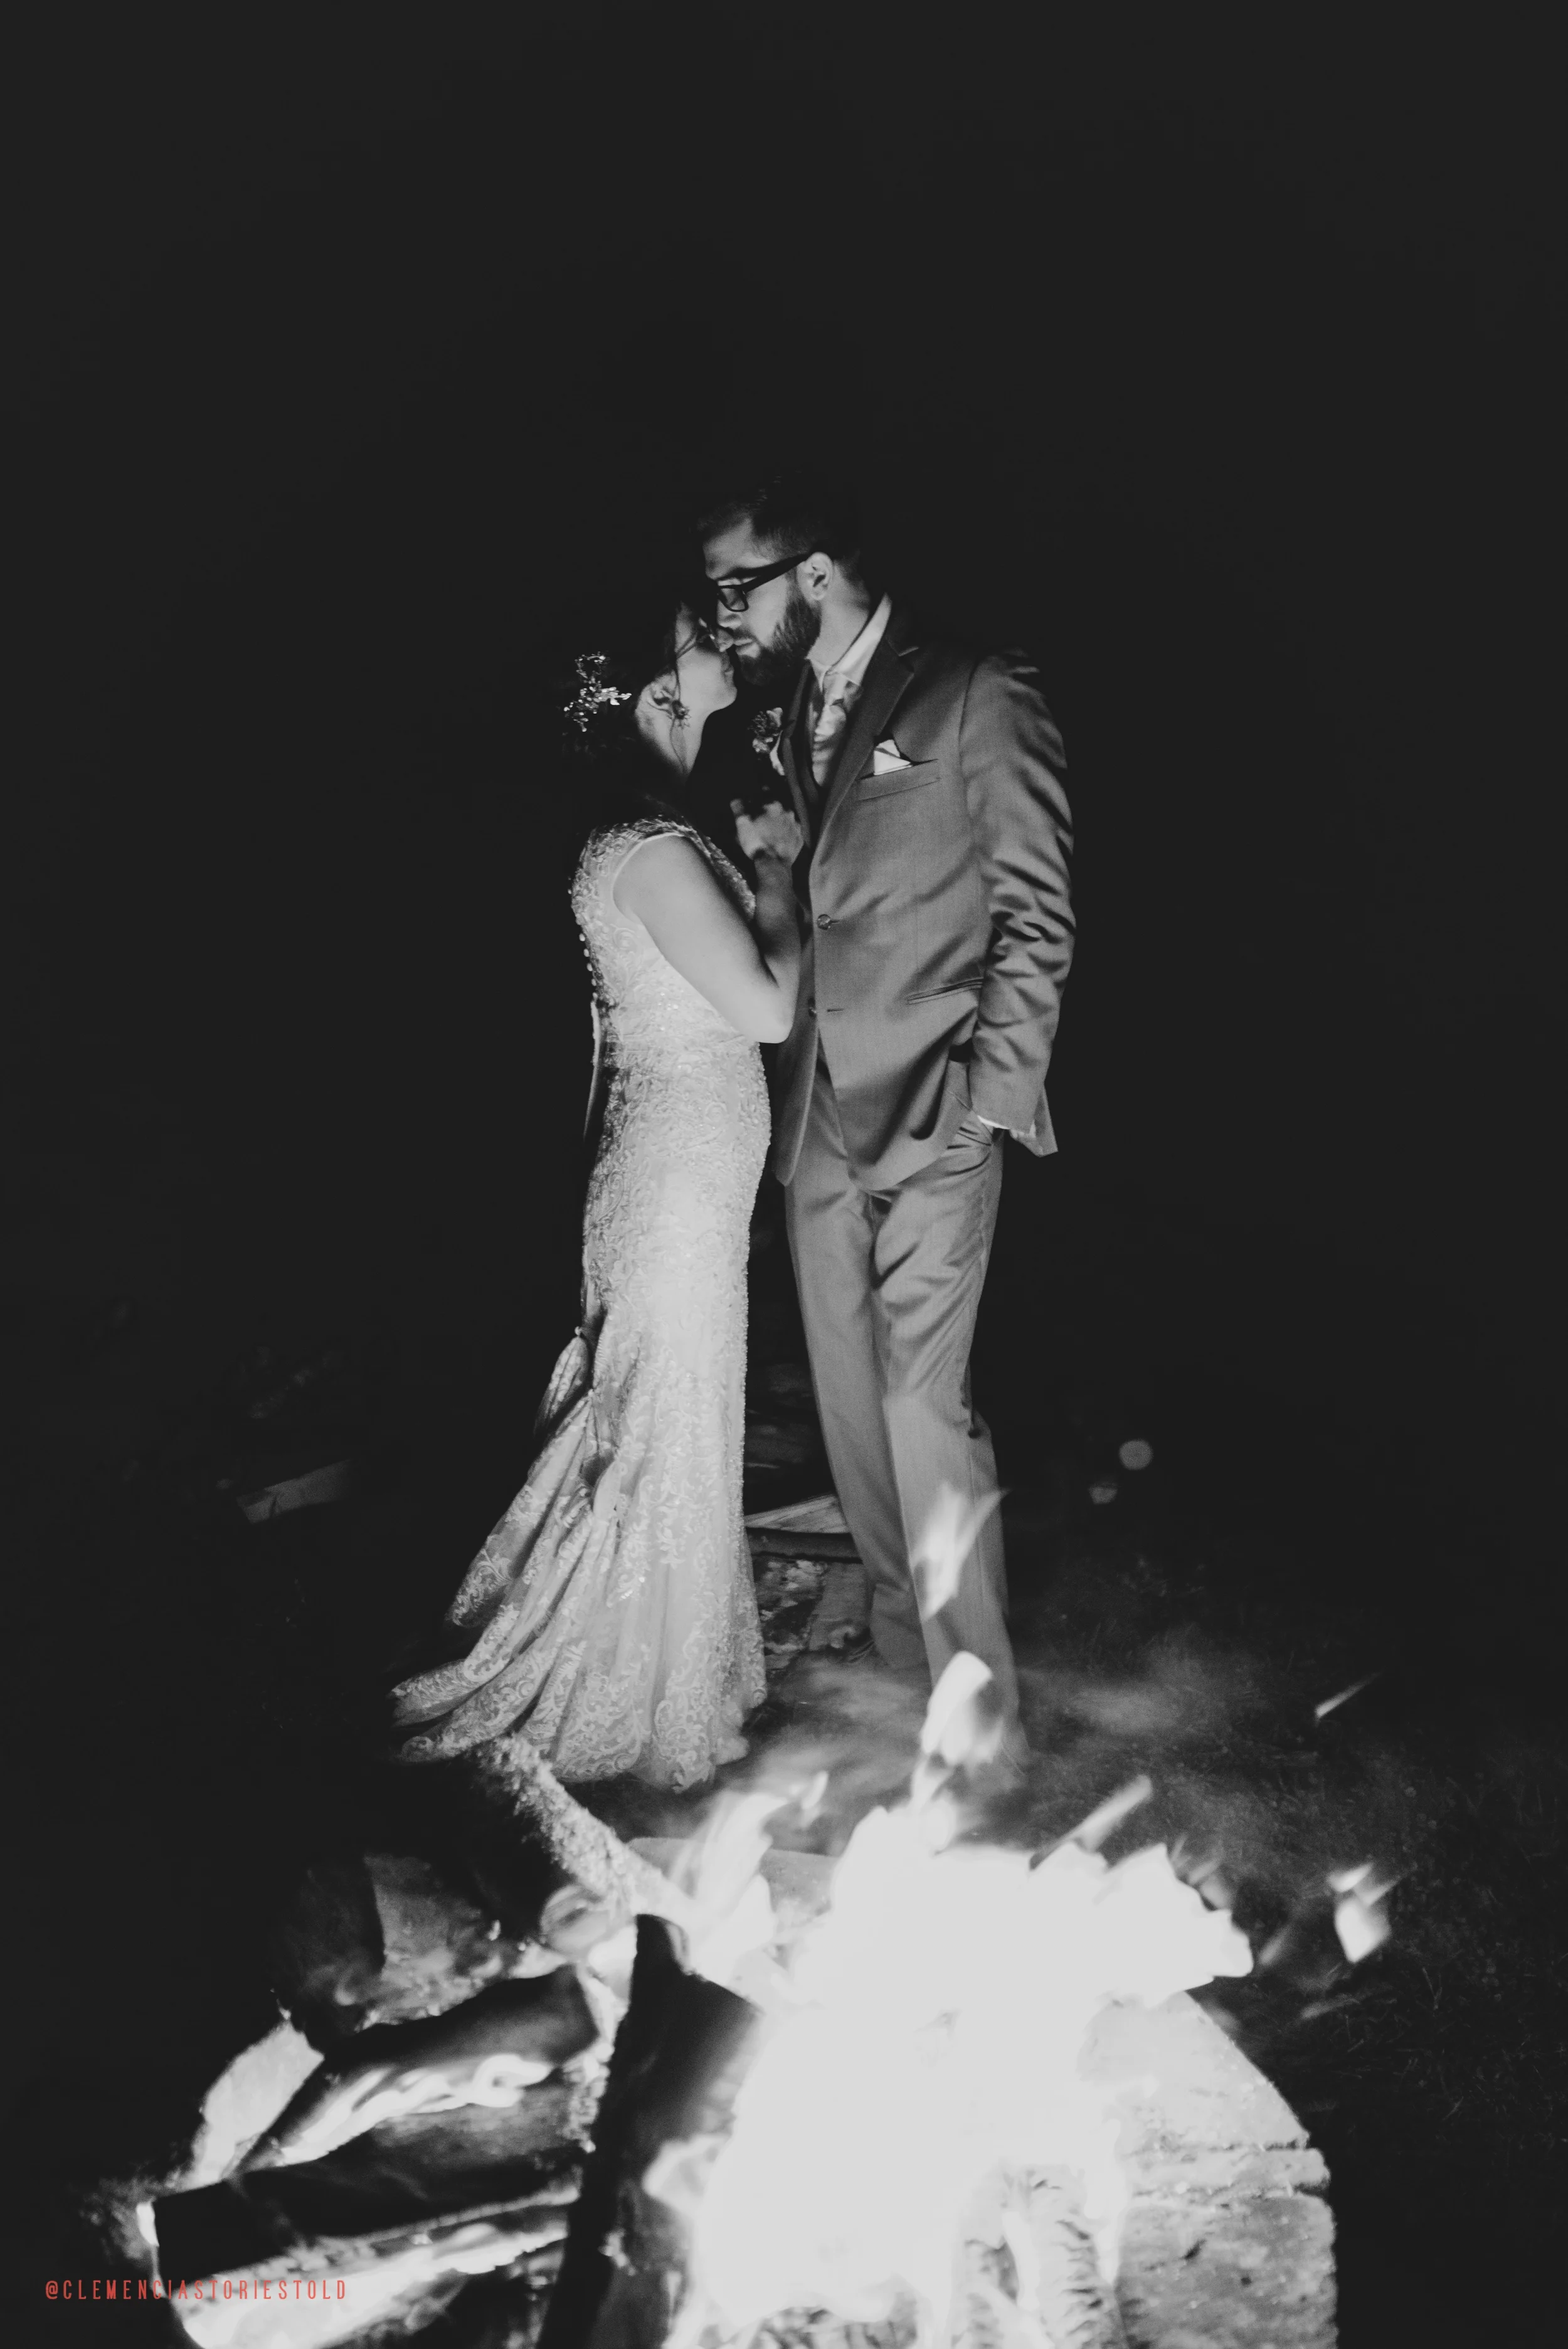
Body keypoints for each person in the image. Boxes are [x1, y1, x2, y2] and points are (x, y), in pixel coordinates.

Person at [390, 601, 804, 1791]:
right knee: (661, 1419)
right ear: (652, 696)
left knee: (673, 1413)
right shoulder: (647, 845)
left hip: (675, 1175)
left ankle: (660, 1670)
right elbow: (768, 1010)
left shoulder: (645, 830)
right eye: (691, 636)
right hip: (672, 1180)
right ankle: (608, 1687)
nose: (714, 644)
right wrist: (776, 868)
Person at [701, 473, 1075, 1769]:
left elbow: (1037, 910)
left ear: (811, 573)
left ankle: (979, 1728)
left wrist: (993, 1098)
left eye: (733, 586)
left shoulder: (973, 685)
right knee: (851, 1409)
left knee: (925, 1410)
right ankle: (897, 1672)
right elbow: (829, 893)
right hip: (813, 1112)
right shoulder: (795, 705)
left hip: (936, 1111)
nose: (722, 614)